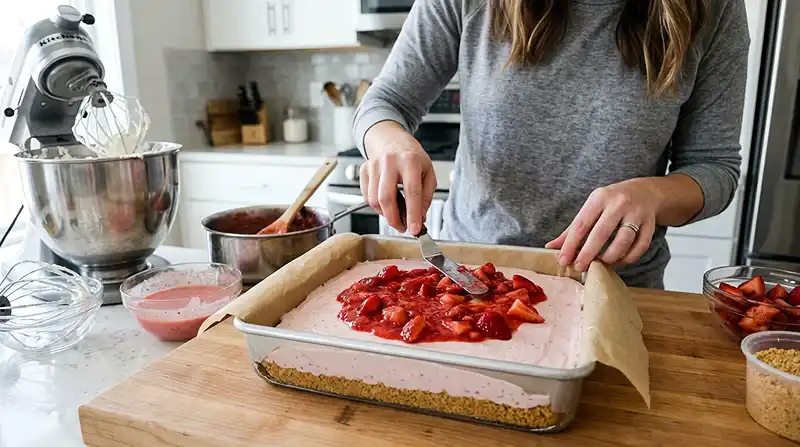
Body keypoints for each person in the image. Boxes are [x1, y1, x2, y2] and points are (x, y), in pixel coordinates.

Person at [353, 0, 749, 289]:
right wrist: (390, 142)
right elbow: (386, 102)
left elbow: (715, 169)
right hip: (469, 276)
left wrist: (652, 195)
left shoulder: (712, 9)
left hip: (615, 288)